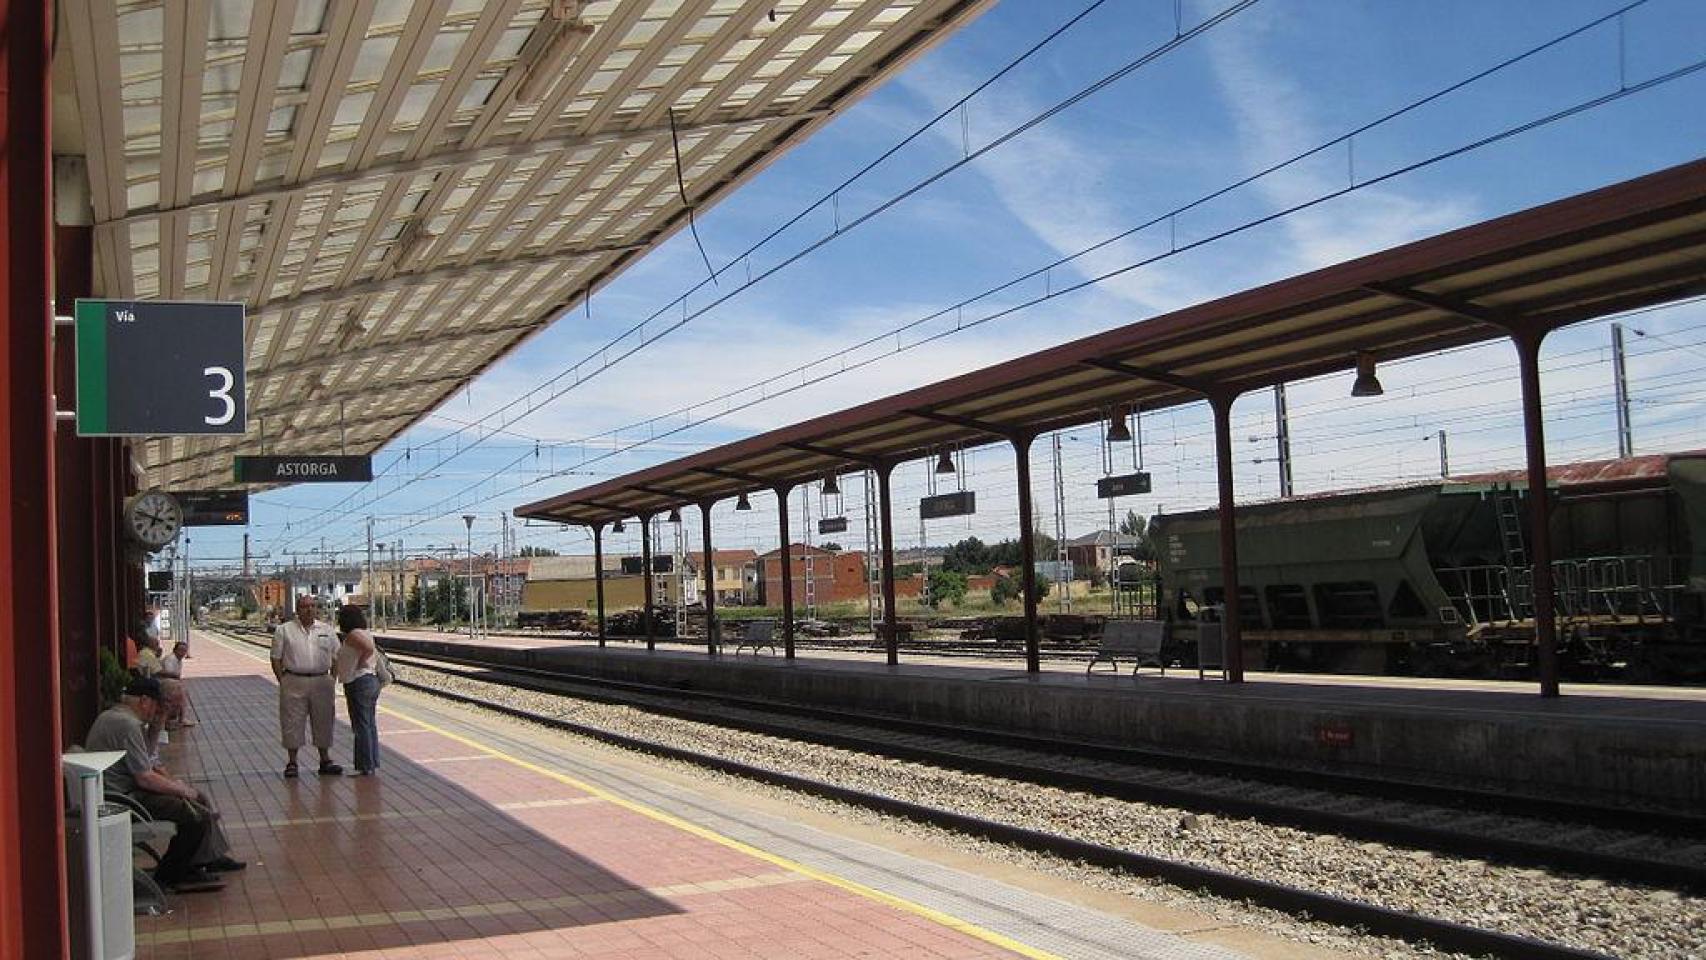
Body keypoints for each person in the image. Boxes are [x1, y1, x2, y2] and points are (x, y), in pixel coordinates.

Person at [84, 677, 245, 892]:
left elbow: (147, 756)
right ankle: (172, 874)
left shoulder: (117, 717)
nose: (159, 710)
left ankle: (203, 858)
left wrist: (157, 725)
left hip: (119, 791)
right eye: (158, 705)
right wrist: (181, 789)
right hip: (124, 798)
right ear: (144, 701)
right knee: (195, 814)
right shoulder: (127, 724)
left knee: (196, 801)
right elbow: (145, 777)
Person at [271, 595, 342, 778]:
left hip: (321, 681)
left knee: (324, 720)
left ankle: (325, 759)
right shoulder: (284, 630)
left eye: (312, 606)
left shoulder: (327, 630)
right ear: (297, 609)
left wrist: (331, 679)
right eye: (304, 606)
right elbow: (276, 658)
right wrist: (283, 680)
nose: (309, 609)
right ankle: (292, 762)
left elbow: (336, 656)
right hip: (294, 680)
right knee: (292, 721)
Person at [335, 606, 383, 776]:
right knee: (368, 724)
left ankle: (365, 766)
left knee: (361, 725)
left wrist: (360, 662)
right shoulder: (363, 632)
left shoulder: (354, 634)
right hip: (368, 681)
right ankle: (371, 763)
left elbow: (369, 648)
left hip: (359, 681)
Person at [156, 640, 196, 729]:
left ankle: (181, 718)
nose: (182, 653)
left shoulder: (179, 660)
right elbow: (169, 674)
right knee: (180, 692)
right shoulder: (171, 659)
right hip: (163, 682)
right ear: (175, 650)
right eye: (180, 650)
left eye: (184, 651)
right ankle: (179, 719)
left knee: (182, 692)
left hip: (171, 682)